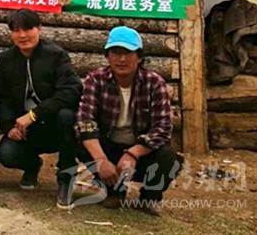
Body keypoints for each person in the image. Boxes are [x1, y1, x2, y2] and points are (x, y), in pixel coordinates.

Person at [76, 26, 182, 215]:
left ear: (139, 57)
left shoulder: (154, 83)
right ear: (107, 56)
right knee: (80, 143)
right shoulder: (96, 80)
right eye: (116, 53)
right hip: (109, 147)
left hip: (140, 151)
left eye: (128, 53)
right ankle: (114, 191)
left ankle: (150, 197)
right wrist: (101, 160)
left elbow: (163, 128)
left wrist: (133, 154)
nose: (122, 59)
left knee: (169, 157)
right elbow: (85, 122)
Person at [0, 8, 82, 209]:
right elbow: (2, 97)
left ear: (39, 29)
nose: (22, 35)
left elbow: (71, 91)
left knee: (67, 116)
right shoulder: (4, 60)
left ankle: (65, 179)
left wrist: (34, 114)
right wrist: (9, 126)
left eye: (28, 29)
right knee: (7, 154)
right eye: (16, 30)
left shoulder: (56, 55)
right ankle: (32, 166)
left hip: (54, 125)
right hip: (23, 129)